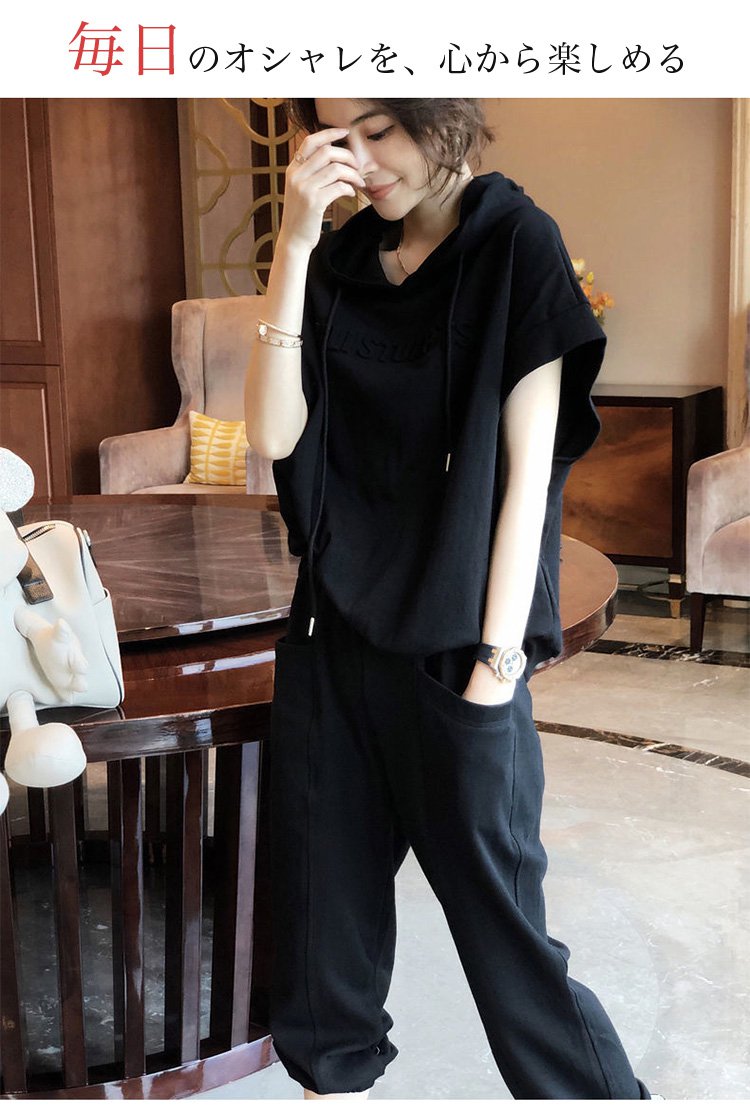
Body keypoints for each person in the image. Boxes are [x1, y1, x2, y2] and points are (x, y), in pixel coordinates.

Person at [245, 98, 654, 1100]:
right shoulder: (340, 257)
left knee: (508, 943)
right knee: (321, 951)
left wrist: (495, 669)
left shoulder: (516, 242)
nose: (361, 160)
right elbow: (276, 437)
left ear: (443, 115)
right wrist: (294, 246)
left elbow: (528, 480)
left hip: (456, 655)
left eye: (380, 128)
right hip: (332, 638)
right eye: (336, 136)